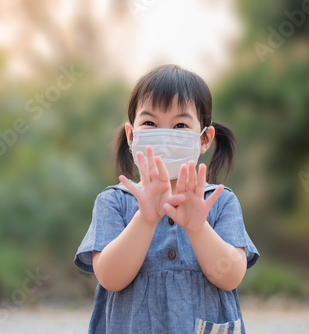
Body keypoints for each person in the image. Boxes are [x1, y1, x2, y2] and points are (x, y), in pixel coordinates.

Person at [74, 64, 259, 334]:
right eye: (149, 123)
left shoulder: (220, 201)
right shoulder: (114, 201)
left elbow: (230, 277)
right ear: (131, 135)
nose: (165, 134)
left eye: (180, 125)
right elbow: (111, 278)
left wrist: (198, 228)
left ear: (205, 138)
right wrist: (145, 219)